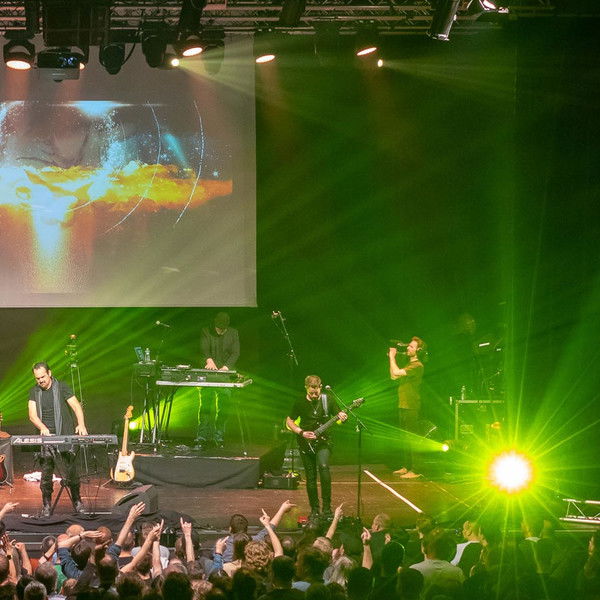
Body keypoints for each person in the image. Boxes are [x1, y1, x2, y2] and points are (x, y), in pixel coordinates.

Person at [28, 362, 88, 517]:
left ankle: (77, 502)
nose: (40, 380)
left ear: (49, 373)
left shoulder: (62, 387)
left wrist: (81, 424)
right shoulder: (34, 391)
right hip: (46, 438)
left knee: (71, 470)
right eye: (37, 378)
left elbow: (76, 406)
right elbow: (32, 415)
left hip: (65, 434)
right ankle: (46, 505)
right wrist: (42, 427)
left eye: (43, 377)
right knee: (46, 472)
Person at [285, 375, 347, 520]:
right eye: (311, 392)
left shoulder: (328, 399)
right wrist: (301, 432)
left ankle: (327, 508)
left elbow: (338, 416)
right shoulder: (300, 402)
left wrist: (343, 418)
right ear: (306, 387)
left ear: (320, 387)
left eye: (316, 392)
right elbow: (289, 420)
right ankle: (314, 509)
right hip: (305, 442)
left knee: (324, 467)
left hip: (324, 441)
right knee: (310, 476)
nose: (314, 395)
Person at [196, 311, 240, 449]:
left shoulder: (233, 333)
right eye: (219, 329)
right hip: (208, 374)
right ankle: (202, 436)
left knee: (224, 406)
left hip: (225, 375)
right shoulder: (206, 331)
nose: (221, 331)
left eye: (224, 329)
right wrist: (209, 360)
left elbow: (235, 353)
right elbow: (203, 349)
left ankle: (219, 436)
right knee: (205, 406)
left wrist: (226, 367)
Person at [388, 337, 426, 479]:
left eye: (411, 346)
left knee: (412, 439)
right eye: (409, 346)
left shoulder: (417, 366)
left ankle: (416, 470)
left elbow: (397, 372)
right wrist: (391, 360)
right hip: (403, 405)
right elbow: (393, 376)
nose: (408, 348)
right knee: (404, 438)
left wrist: (392, 357)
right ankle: (407, 466)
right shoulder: (409, 365)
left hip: (411, 406)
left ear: (418, 350)